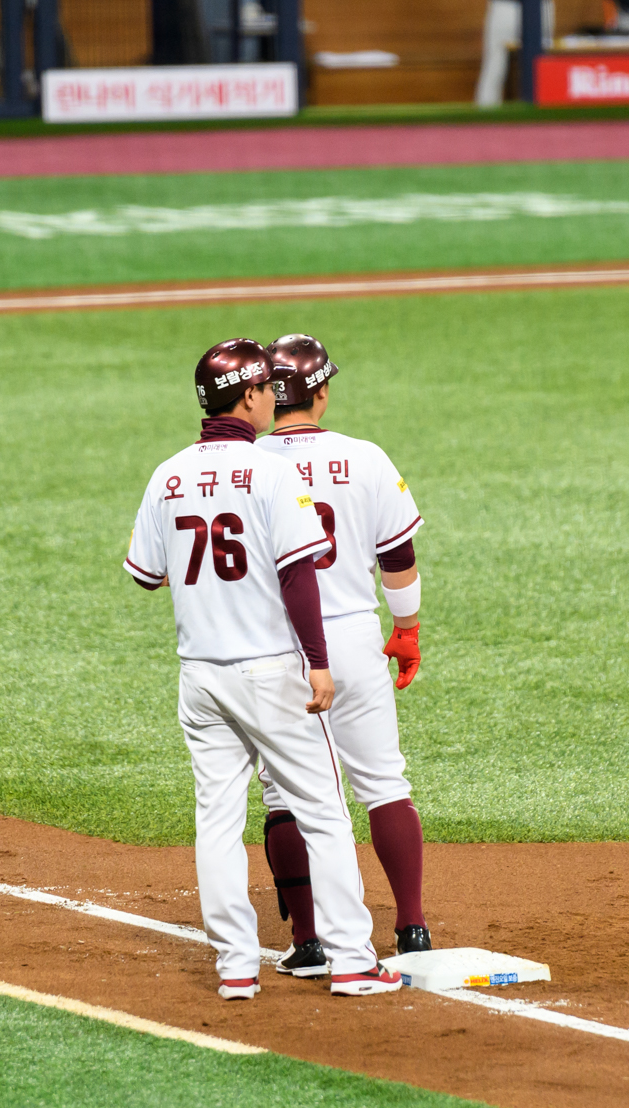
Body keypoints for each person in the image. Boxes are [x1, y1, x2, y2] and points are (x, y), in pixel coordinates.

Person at [124, 337, 401, 999]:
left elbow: (145, 576)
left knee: (217, 818)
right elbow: (300, 574)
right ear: (249, 395)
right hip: (271, 672)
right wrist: (319, 662)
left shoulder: (167, 474)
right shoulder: (271, 472)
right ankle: (353, 961)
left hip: (200, 675)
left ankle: (235, 967)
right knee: (324, 811)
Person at [256, 333, 430, 978]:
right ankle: (411, 927)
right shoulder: (365, 457)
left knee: (285, 795)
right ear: (322, 391)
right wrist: (405, 631)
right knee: (384, 782)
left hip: (277, 644)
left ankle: (307, 941)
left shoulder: (246, 466)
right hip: (355, 636)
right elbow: (398, 558)